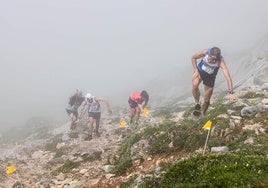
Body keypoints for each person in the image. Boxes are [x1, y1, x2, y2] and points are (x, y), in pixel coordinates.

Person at [191, 47, 234, 116]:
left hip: (210, 77)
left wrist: (231, 92)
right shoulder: (204, 52)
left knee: (207, 100)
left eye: (216, 60)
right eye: (212, 59)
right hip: (200, 72)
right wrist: (196, 70)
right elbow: (193, 58)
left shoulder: (220, 61)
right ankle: (197, 104)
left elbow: (228, 77)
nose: (214, 61)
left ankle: (203, 113)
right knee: (194, 85)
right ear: (209, 55)